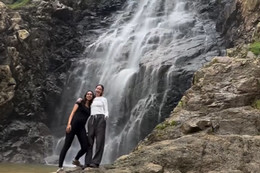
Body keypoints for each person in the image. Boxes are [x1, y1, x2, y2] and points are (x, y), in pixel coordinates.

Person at [56, 90, 94, 173]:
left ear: (92, 96)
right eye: (88, 94)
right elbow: (72, 113)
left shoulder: (91, 107)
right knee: (66, 146)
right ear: (85, 95)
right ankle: (60, 166)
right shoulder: (80, 102)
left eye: (91, 94)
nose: (89, 95)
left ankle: (76, 159)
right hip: (73, 126)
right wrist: (69, 124)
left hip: (81, 128)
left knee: (85, 147)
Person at [87, 84, 109, 168]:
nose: (98, 90)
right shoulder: (92, 99)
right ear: (95, 89)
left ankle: (95, 162)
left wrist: (105, 117)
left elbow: (106, 110)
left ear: (102, 91)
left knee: (99, 141)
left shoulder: (104, 99)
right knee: (89, 140)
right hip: (92, 119)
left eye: (100, 89)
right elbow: (84, 104)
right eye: (97, 88)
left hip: (100, 118)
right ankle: (88, 161)